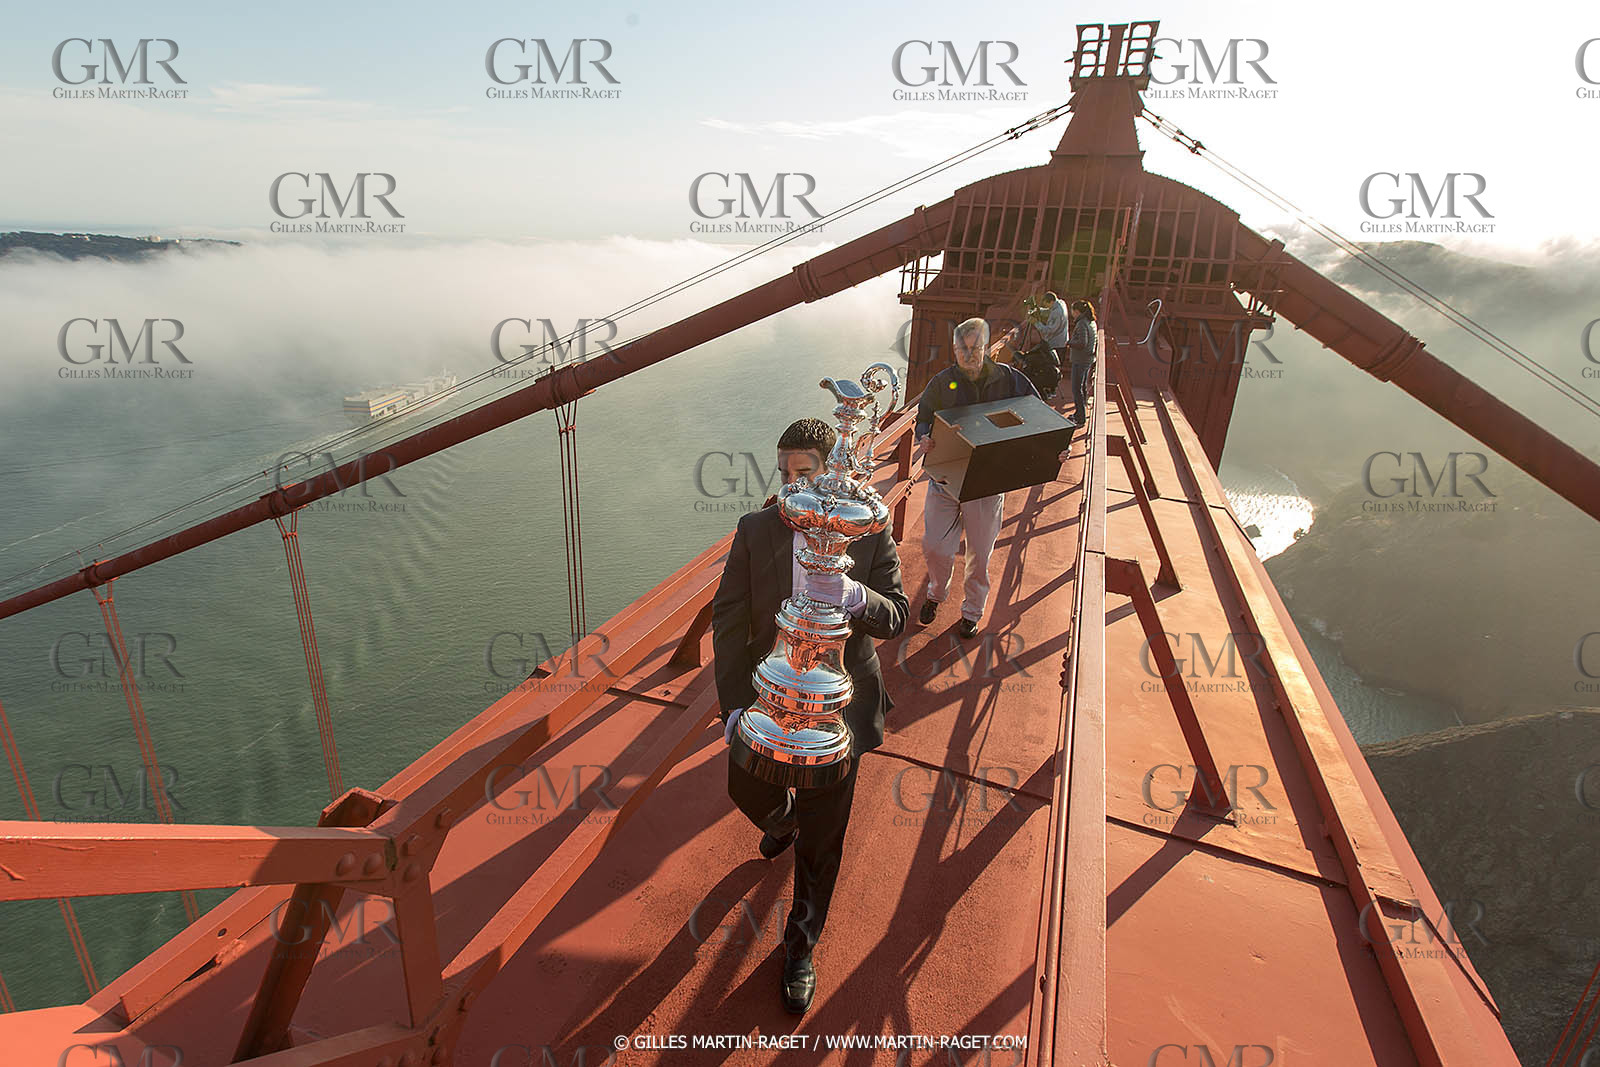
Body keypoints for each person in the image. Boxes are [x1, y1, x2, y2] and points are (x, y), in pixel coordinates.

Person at [711, 416, 908, 1015]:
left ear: (831, 473)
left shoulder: (869, 533)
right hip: (767, 701)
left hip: (839, 711)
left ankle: (800, 948)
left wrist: (853, 596)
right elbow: (728, 619)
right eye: (785, 473)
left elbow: (896, 614)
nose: (790, 486)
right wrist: (733, 705)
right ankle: (780, 821)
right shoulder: (756, 528)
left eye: (805, 473)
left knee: (824, 840)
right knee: (742, 787)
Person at [912, 317, 1039, 639]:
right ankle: (937, 593)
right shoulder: (942, 382)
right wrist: (924, 438)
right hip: (945, 477)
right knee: (936, 546)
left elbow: (1038, 414)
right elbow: (924, 420)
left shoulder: (1011, 380)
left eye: (975, 348)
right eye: (962, 349)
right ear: (954, 349)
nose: (968, 355)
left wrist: (1045, 450)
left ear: (986, 348)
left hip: (987, 480)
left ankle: (971, 613)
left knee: (980, 555)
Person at [1067, 298, 1098, 427]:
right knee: (1083, 385)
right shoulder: (1091, 322)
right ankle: (1081, 412)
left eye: (1073, 311)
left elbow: (1082, 343)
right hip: (1088, 359)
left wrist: (1069, 343)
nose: (1072, 313)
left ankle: (1080, 418)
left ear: (1077, 311)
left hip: (1080, 360)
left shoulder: (1081, 324)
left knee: (1076, 388)